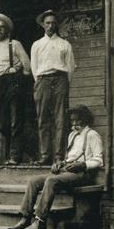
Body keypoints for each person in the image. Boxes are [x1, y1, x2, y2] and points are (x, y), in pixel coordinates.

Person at [7, 105, 103, 229]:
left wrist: (83, 164)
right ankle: (25, 218)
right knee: (34, 181)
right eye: (72, 121)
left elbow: (99, 160)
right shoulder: (72, 135)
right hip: (67, 171)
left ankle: (40, 220)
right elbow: (70, 157)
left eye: (77, 120)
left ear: (85, 119)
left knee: (51, 181)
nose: (74, 124)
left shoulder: (92, 135)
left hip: (83, 174)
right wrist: (59, 163)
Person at [31, 9, 75, 165]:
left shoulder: (64, 44)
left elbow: (70, 67)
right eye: (47, 23)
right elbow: (34, 67)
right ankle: (45, 155)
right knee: (43, 118)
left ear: (57, 25)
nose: (50, 26)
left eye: (53, 23)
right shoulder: (37, 45)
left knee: (60, 118)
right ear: (43, 25)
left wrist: (62, 82)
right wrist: (41, 82)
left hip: (60, 80)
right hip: (43, 80)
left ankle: (58, 155)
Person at [0, 13, 31, 165]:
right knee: (2, 123)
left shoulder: (14, 44)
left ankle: (14, 156)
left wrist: (17, 73)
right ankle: (27, 149)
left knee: (15, 120)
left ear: (7, 30)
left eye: (2, 27)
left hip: (13, 83)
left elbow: (27, 66)